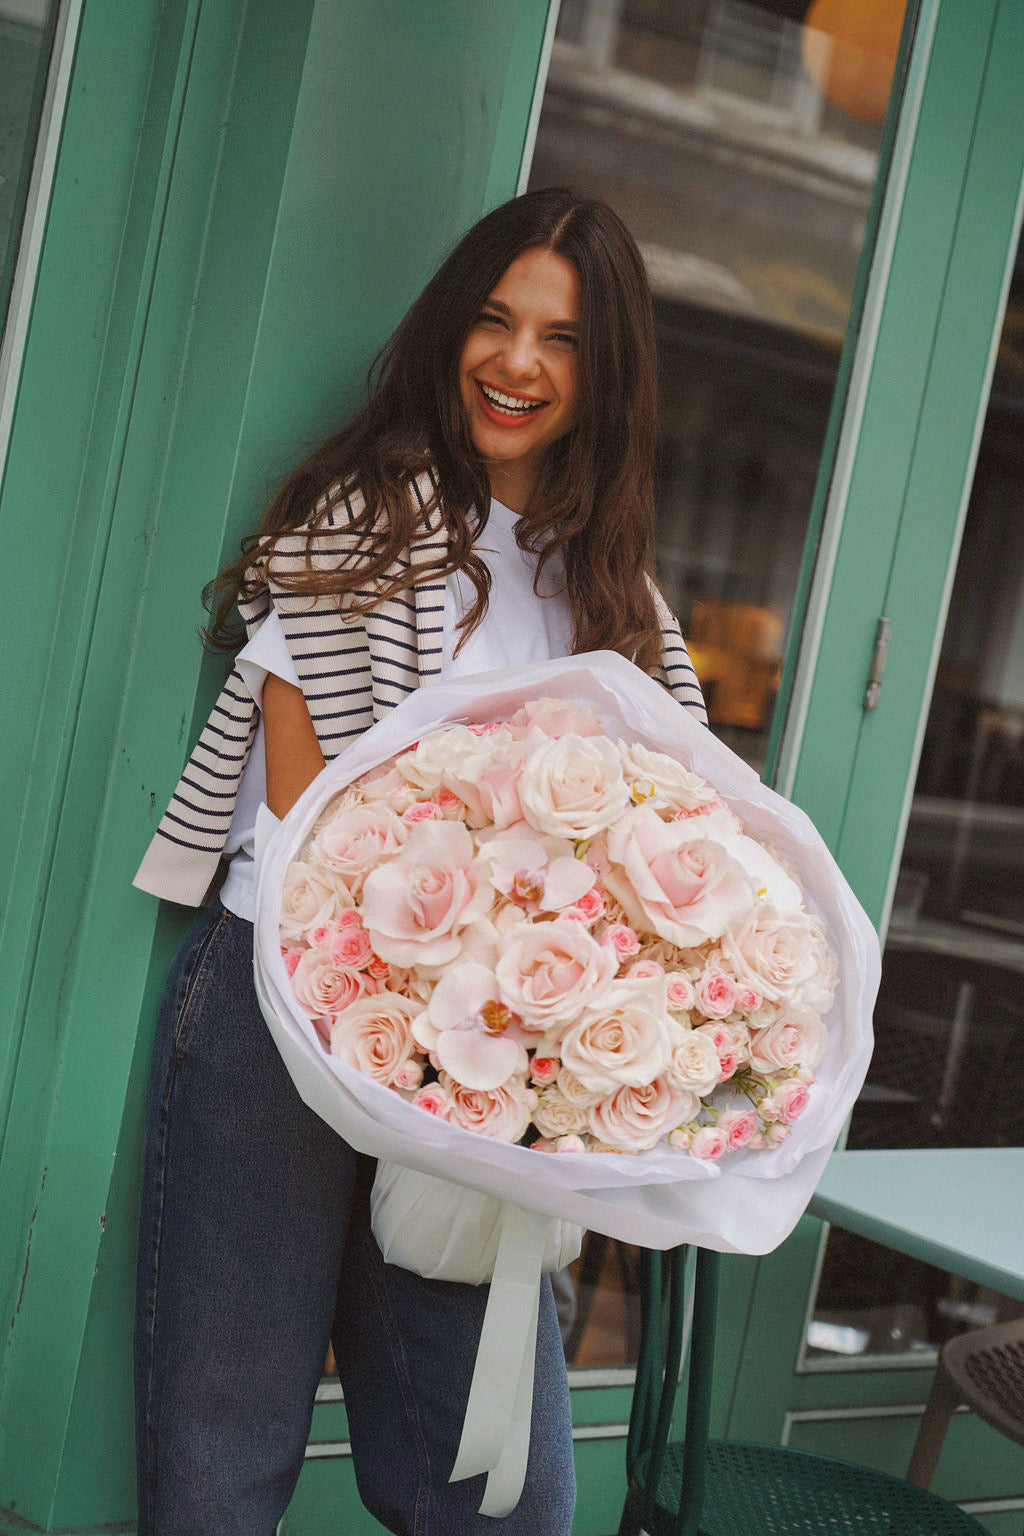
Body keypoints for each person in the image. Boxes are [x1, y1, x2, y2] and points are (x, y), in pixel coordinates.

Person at [132, 186, 707, 1536]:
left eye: (562, 340)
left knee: (508, 1499)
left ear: (608, 375)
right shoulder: (361, 521)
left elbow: (674, 837)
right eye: (495, 321)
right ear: (453, 328)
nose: (517, 362)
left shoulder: (610, 591)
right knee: (223, 1460)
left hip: (479, 1074)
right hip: (284, 1013)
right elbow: (306, 830)